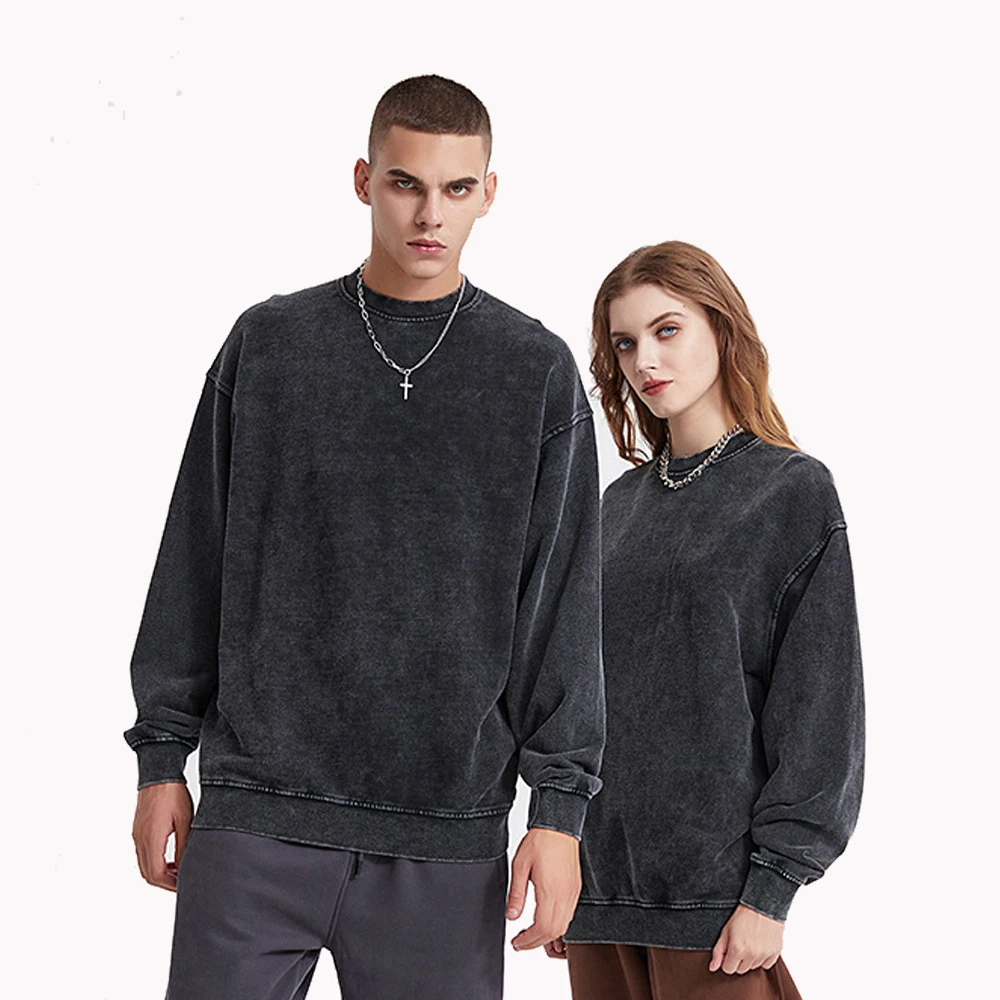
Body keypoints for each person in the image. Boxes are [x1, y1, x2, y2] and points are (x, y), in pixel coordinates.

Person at [123, 74, 606, 1000]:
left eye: (456, 189)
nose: (430, 214)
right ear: (363, 180)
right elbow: (193, 558)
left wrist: (559, 812)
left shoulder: (534, 372)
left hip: (445, 833)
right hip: (258, 817)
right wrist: (160, 760)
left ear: (489, 194)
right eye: (405, 183)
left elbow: (563, 606)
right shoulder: (271, 345)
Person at [548, 241, 865, 999]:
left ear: (721, 329)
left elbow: (821, 710)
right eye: (626, 343)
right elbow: (577, 695)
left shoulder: (789, 491)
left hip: (715, 904)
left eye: (667, 330)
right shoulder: (616, 507)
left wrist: (773, 889)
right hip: (599, 892)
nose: (645, 361)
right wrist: (564, 853)